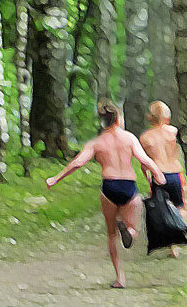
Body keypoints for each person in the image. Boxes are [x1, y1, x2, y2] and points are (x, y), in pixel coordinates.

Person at [46, 100, 165, 289]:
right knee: (133, 226)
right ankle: (130, 233)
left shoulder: (97, 142)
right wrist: (157, 174)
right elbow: (144, 159)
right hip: (128, 186)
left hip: (109, 186)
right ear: (118, 119)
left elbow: (78, 162)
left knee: (111, 235)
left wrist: (55, 178)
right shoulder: (129, 138)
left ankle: (120, 278)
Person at [138, 101, 187, 257]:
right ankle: (179, 233)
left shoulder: (145, 137)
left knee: (162, 210)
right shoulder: (174, 132)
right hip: (175, 173)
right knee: (181, 206)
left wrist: (148, 177)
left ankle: (171, 245)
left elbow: (144, 163)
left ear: (150, 117)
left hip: (158, 175)